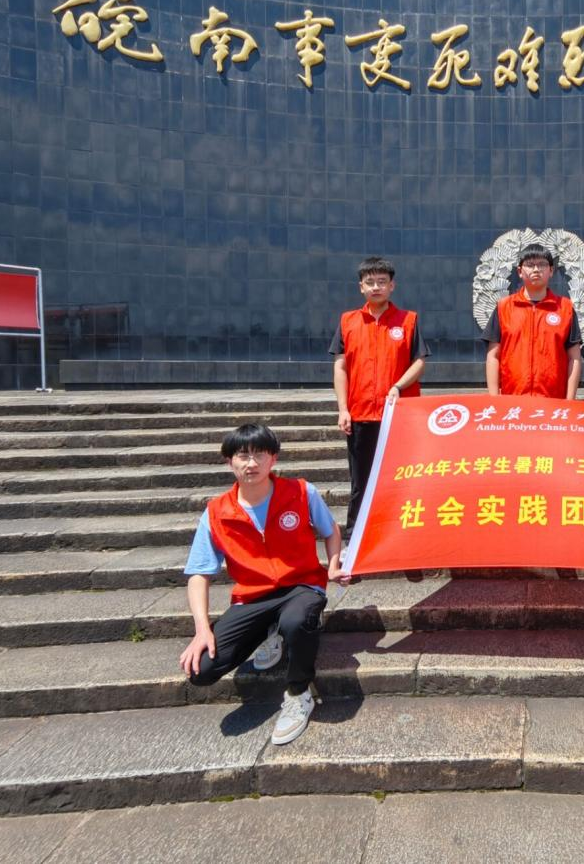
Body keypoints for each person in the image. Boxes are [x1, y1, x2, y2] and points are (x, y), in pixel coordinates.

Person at [180, 423, 347, 746]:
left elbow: (331, 530)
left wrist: (334, 564)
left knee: (297, 621)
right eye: (243, 455)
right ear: (229, 461)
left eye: (260, 454)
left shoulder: (301, 492)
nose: (251, 463)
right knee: (201, 670)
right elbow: (199, 573)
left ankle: (298, 694)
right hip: (252, 597)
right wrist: (202, 630)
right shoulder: (216, 512)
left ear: (274, 459)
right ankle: (271, 629)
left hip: (301, 585)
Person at [331, 256, 428, 535]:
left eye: (382, 282)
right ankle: (355, 537)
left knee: (400, 478)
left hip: (398, 416)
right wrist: (343, 408)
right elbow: (340, 366)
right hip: (360, 414)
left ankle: (400, 534)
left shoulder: (408, 320)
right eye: (370, 282)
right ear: (361, 286)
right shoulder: (348, 321)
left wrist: (397, 386)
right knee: (360, 482)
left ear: (392, 286)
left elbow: (419, 362)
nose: (376, 287)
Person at [483, 243, 583, 398]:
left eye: (542, 264)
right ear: (520, 271)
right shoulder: (504, 307)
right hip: (513, 401)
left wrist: (569, 402)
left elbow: (574, 358)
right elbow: (493, 356)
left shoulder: (565, 308)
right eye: (530, 265)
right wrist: (495, 400)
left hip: (553, 401)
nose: (536, 269)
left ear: (551, 271)